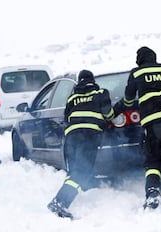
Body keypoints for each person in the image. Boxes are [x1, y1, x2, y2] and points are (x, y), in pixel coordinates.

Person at [115, 46, 161, 213]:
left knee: (153, 160)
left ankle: (152, 195)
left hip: (152, 120)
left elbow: (129, 101)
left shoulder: (136, 73)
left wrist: (116, 110)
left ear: (139, 60)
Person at [47, 69, 115, 219]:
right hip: (89, 135)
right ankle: (59, 202)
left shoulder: (72, 98)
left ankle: (66, 196)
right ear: (93, 80)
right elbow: (109, 114)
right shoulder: (101, 93)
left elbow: (67, 117)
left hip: (71, 137)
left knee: (75, 169)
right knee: (82, 171)